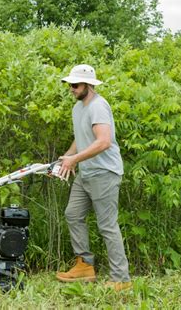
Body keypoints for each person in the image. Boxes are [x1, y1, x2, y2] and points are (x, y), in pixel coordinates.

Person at [55, 64, 132, 292]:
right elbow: (82, 137)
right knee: (73, 214)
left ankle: (121, 279)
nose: (71, 89)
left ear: (88, 85)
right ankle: (85, 266)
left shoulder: (98, 106)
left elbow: (103, 141)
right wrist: (67, 157)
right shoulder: (78, 109)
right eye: (70, 84)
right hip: (85, 172)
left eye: (75, 85)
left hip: (104, 173)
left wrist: (75, 159)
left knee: (107, 225)